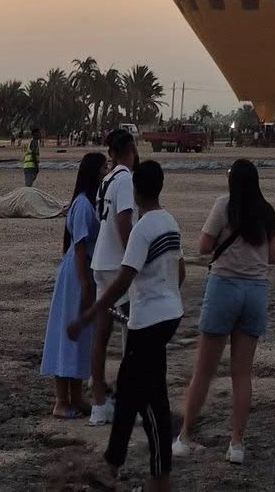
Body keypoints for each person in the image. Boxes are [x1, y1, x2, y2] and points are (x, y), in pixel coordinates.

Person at [71, 160, 185, 492]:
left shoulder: (142, 229)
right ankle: (125, 469)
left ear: (135, 192)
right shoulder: (170, 222)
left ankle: (135, 472)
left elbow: (122, 281)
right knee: (138, 393)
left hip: (148, 321)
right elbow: (178, 272)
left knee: (148, 401)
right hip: (168, 315)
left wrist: (90, 314)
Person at [174, 158, 275, 465]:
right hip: (255, 291)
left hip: (224, 287)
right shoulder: (267, 211)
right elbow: (273, 257)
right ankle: (236, 443)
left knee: (204, 370)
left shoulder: (224, 205)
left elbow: (204, 247)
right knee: (242, 374)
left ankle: (183, 436)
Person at [41, 151, 105, 416]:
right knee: (67, 332)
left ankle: (76, 397)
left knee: (82, 336)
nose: (105, 173)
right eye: (102, 169)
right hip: (76, 275)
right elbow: (79, 247)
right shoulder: (81, 205)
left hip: (84, 271)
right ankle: (61, 401)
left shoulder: (89, 203)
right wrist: (85, 283)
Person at [89, 128, 139, 423]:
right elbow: (124, 223)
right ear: (130, 149)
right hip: (120, 266)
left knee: (101, 334)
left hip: (101, 262)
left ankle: (98, 403)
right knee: (131, 335)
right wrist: (136, 258)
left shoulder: (105, 180)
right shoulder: (126, 181)